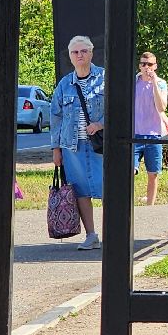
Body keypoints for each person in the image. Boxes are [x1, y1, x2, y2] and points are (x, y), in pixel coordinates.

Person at [50, 35, 105, 251]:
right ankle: (91, 235)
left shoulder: (104, 78)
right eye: (75, 52)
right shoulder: (65, 84)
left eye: (83, 51)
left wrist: (100, 124)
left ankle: (113, 233)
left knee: (107, 188)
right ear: (70, 57)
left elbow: (120, 107)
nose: (80, 55)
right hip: (72, 147)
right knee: (80, 191)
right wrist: (56, 150)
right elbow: (56, 117)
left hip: (100, 145)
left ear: (91, 53)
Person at [133, 51, 168, 206]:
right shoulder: (134, 82)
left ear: (155, 66)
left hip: (153, 135)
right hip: (135, 134)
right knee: (130, 171)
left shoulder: (161, 84)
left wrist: (155, 83)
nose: (146, 67)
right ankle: (126, 205)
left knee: (153, 174)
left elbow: (161, 106)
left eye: (150, 64)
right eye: (143, 64)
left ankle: (150, 207)